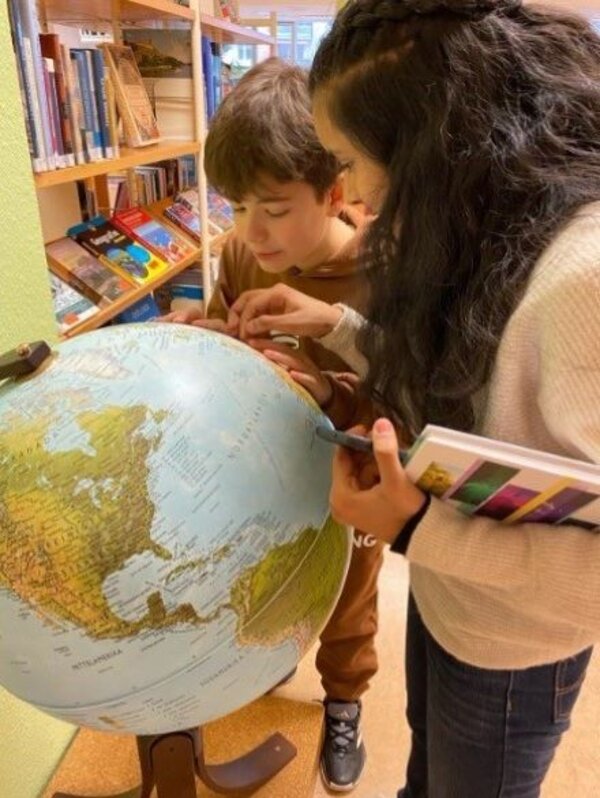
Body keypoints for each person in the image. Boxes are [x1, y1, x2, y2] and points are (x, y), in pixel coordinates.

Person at [227, 3, 600, 797]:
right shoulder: (496, 221)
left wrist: (419, 527)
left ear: (433, 149)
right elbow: (477, 382)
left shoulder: (585, 281)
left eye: (354, 162)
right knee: (430, 771)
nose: (353, 194)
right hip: (453, 596)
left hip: (511, 646)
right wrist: (344, 328)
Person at [160, 57, 384, 792]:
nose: (252, 232)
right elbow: (236, 334)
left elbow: (400, 401)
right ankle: (271, 655)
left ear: (335, 190)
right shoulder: (240, 255)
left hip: (349, 479)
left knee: (350, 597)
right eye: (234, 206)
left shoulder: (380, 275)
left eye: (275, 208)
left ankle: (345, 699)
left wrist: (328, 388)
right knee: (267, 575)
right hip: (262, 468)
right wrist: (207, 335)